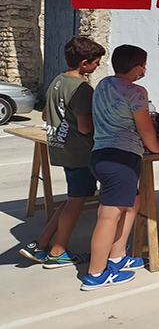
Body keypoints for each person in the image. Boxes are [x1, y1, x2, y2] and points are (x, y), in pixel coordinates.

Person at [82, 45, 159, 291]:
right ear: (138, 67)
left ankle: (117, 256)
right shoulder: (137, 92)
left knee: (133, 203)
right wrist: (158, 148)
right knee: (108, 216)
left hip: (100, 154)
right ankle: (96, 273)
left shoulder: (104, 84)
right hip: (121, 159)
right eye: (144, 65)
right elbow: (146, 128)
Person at [19, 36, 106, 268]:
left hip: (61, 147)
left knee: (71, 200)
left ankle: (42, 242)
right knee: (76, 202)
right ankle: (58, 251)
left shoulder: (57, 81)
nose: (98, 66)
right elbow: (86, 126)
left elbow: (47, 116)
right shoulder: (82, 89)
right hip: (80, 151)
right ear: (85, 63)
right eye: (96, 62)